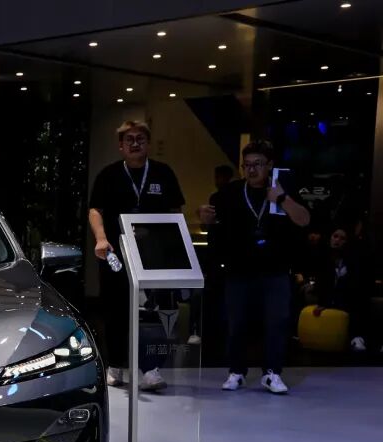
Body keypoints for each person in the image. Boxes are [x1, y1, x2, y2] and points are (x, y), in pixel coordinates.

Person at [199, 140, 311, 394]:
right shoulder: (230, 192)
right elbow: (210, 219)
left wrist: (281, 198)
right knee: (236, 322)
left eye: (257, 164)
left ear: (269, 165)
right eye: (246, 165)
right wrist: (203, 216)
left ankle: (272, 373)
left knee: (276, 321)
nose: (251, 170)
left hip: (276, 269)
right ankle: (236, 371)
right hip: (239, 269)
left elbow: (304, 220)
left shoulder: (283, 188)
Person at [88, 120, 186, 392]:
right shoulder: (108, 175)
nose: (134, 143)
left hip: (154, 254)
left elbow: (175, 212)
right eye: (129, 139)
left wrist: (172, 247)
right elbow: (95, 210)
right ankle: (116, 364)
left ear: (148, 143)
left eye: (140, 139)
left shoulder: (163, 173)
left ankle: (151, 369)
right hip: (117, 252)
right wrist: (101, 238)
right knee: (115, 309)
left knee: (152, 312)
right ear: (121, 146)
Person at [312, 227, 371, 352]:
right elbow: (322, 284)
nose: (337, 240)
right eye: (335, 236)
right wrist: (325, 302)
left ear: (347, 242)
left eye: (342, 238)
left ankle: (357, 338)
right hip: (330, 299)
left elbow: (356, 286)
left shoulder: (353, 261)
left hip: (347, 299)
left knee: (358, 301)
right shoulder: (324, 259)